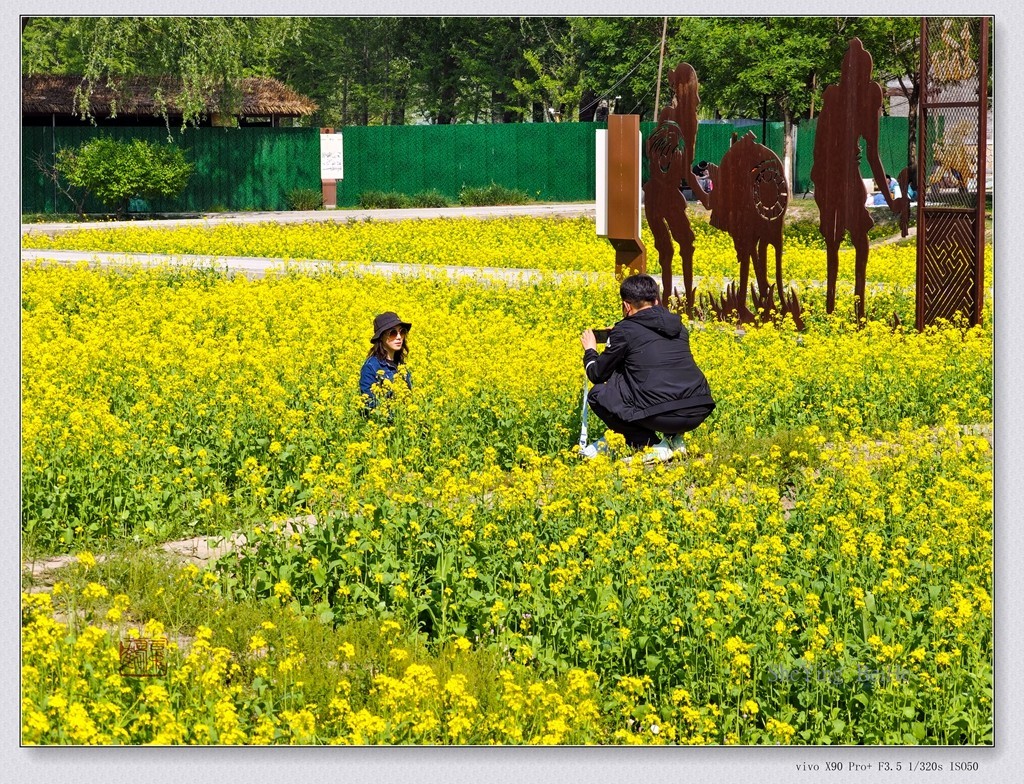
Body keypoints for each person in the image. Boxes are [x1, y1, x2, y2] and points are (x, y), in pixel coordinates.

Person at [580, 274, 715, 461]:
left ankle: (650, 445)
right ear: (656, 299)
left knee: (598, 394)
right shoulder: (678, 327)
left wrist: (590, 350)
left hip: (664, 415)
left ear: (627, 306)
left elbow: (596, 374)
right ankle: (674, 440)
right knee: (644, 380)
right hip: (698, 408)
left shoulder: (625, 330)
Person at [359, 311, 412, 414]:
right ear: (381, 337)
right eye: (393, 333)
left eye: (402, 332)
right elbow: (369, 406)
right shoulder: (371, 367)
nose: (399, 337)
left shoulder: (401, 365)